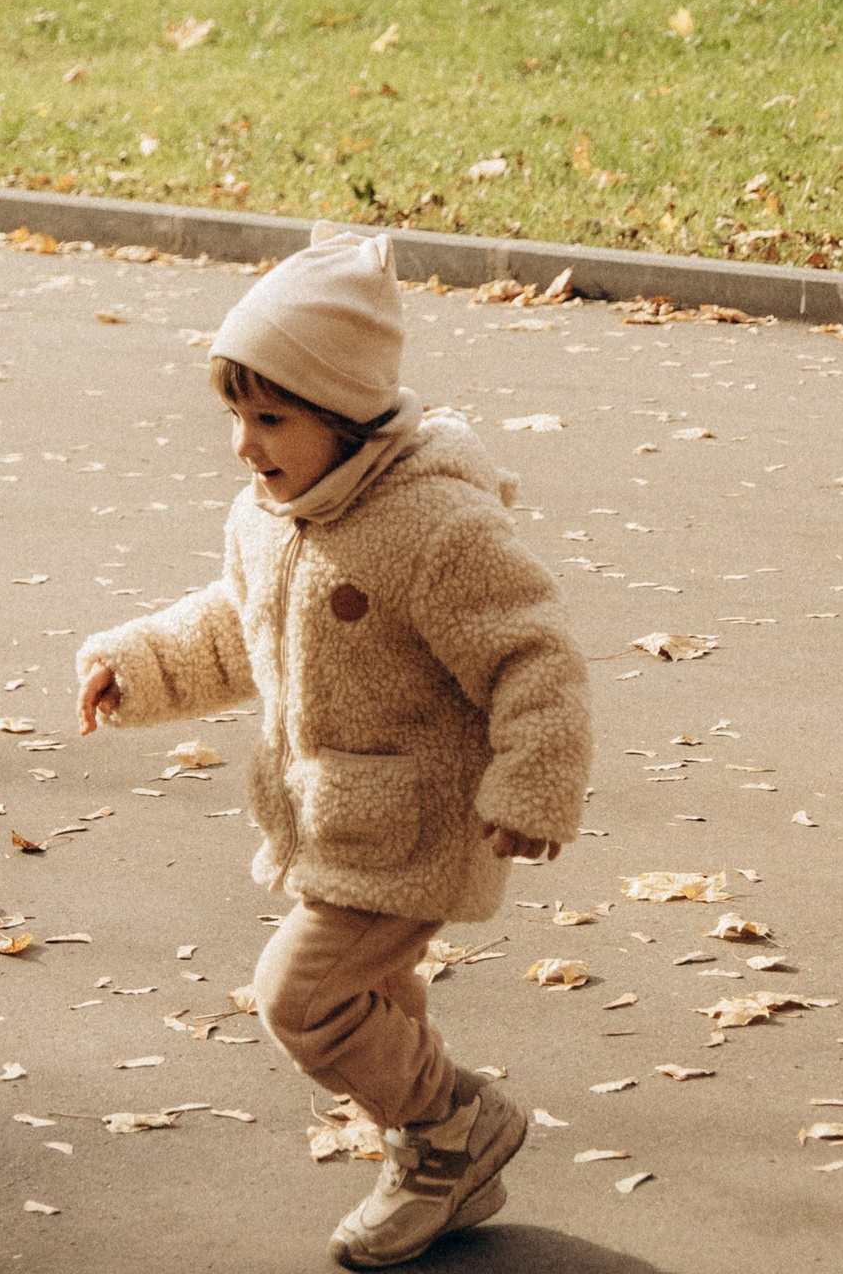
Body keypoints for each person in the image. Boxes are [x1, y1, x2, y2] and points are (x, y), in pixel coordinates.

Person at [76, 226, 593, 1264]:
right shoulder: (271, 515)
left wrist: (533, 781)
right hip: (331, 814)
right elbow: (238, 627)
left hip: (415, 825)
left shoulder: (434, 526)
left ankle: (452, 1126)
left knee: (301, 997)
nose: (244, 444)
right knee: (371, 1000)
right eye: (234, 414)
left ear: (349, 415)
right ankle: (437, 1164)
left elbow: (534, 656)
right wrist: (138, 664)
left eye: (270, 418)